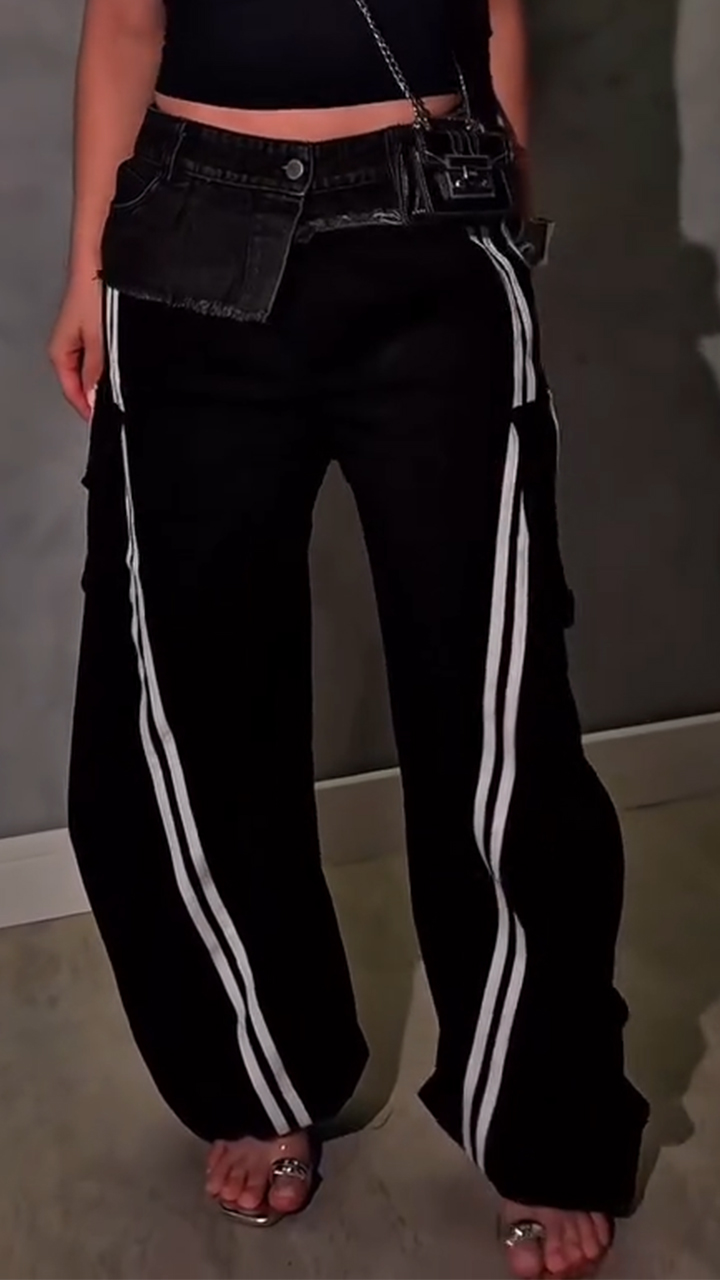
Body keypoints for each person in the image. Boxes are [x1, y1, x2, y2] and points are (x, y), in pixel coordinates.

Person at [49, 0, 649, 1275]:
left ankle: (542, 1122)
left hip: (430, 226)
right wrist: (84, 268)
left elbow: (496, 13)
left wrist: (511, 247)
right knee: (190, 708)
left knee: (499, 720)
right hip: (188, 234)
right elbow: (127, 22)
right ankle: (258, 1071)